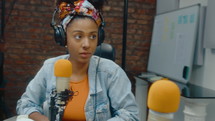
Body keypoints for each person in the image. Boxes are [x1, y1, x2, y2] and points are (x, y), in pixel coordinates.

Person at [16, 0, 139, 121]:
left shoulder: (112, 73)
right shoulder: (50, 68)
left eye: (92, 36)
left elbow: (130, 115)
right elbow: (26, 104)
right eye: (78, 36)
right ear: (64, 38)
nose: (86, 44)